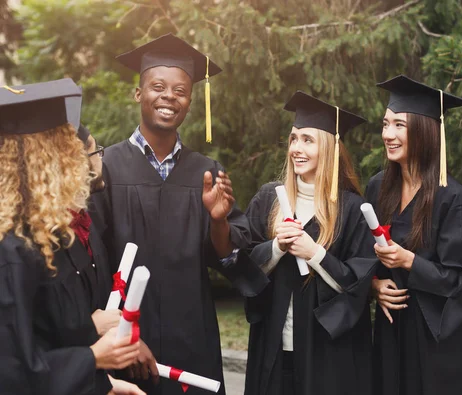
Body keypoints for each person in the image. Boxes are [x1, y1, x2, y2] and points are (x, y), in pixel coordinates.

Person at [91, 33, 269, 394]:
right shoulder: (106, 167)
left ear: (190, 101)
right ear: (138, 93)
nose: (169, 96)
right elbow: (89, 256)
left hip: (192, 338)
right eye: (158, 86)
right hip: (124, 338)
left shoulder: (204, 170)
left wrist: (218, 220)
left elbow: (228, 259)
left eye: (181, 90)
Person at [0, 79, 143, 395]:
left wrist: (105, 385)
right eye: (69, 150)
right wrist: (92, 358)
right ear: (52, 160)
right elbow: (11, 374)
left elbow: (45, 339)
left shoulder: (47, 237)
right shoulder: (11, 250)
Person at [242, 91, 377, 395]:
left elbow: (361, 284)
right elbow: (242, 264)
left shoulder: (351, 209)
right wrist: (276, 248)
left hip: (326, 353)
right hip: (273, 346)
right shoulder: (269, 199)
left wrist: (315, 253)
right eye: (293, 139)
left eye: (308, 140)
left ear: (328, 148)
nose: (297, 149)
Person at [368, 75, 462, 395]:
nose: (388, 135)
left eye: (399, 126)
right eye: (385, 124)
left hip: (435, 340)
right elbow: (362, 256)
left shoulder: (453, 199)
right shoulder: (378, 187)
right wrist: (374, 284)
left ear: (424, 131)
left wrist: (409, 261)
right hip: (391, 332)